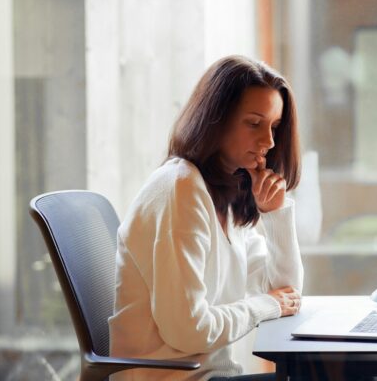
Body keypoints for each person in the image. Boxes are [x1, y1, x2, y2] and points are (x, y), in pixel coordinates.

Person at [108, 55, 304, 381]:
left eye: (274, 127)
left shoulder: (226, 194)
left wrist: (276, 215)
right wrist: (268, 305)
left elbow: (287, 294)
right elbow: (189, 331)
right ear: (216, 120)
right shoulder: (180, 190)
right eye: (254, 123)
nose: (268, 142)